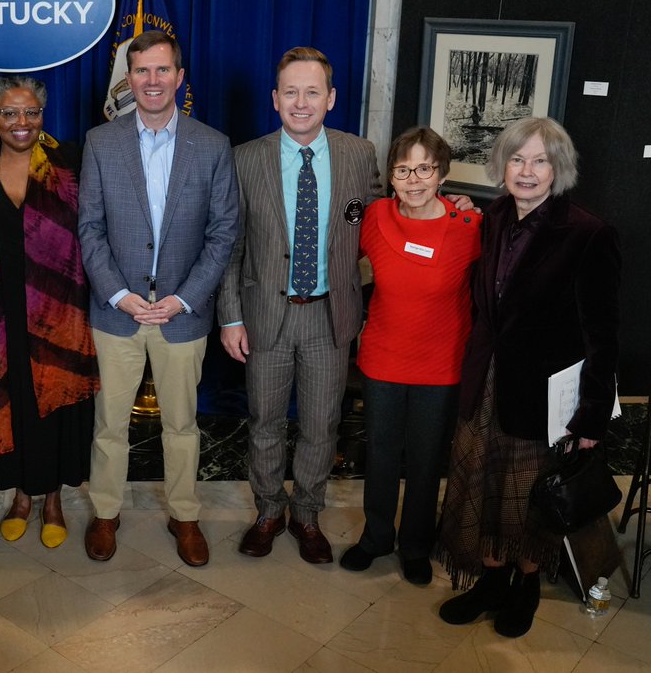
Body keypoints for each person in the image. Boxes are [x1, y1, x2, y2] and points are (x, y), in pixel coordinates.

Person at [437, 117, 620, 638]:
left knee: (526, 495)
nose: (527, 170)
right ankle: (491, 581)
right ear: (502, 166)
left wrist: (589, 418)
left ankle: (527, 586)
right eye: (517, 159)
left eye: (540, 160)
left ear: (558, 168)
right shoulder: (493, 217)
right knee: (483, 485)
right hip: (486, 383)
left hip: (542, 396)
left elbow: (602, 338)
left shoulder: (588, 233)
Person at [78, 30, 237, 567]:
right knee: (109, 423)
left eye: (162, 70)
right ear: (129, 79)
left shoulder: (212, 145)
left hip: (181, 317)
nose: (152, 81)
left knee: (182, 425)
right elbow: (90, 230)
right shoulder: (101, 142)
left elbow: (223, 235)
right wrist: (120, 294)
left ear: (180, 76)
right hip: (116, 313)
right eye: (142, 71)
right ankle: (105, 511)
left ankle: (184, 515)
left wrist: (184, 299)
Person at [218, 47, 382, 565]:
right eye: (291, 91)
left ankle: (307, 514)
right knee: (265, 421)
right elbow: (230, 245)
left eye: (313, 91)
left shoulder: (360, 154)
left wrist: (452, 209)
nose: (301, 102)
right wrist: (230, 316)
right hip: (266, 313)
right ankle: (268, 511)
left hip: (330, 317)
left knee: (320, 424)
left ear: (331, 98)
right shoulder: (245, 158)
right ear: (275, 99)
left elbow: (382, 224)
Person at [0, 76, 98, 549]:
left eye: (31, 112)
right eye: (10, 113)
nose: (21, 122)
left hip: (59, 311)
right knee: (11, 399)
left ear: (43, 115)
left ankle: (52, 500)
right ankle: (21, 497)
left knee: (50, 405)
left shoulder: (69, 163)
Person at [338, 127, 480, 585]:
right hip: (382, 359)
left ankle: (416, 544)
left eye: (425, 168)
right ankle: (376, 536)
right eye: (403, 170)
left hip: (440, 366)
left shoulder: (470, 226)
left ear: (442, 173)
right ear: (391, 177)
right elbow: (334, 242)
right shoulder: (374, 215)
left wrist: (467, 204)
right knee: (380, 453)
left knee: (425, 458)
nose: (414, 180)